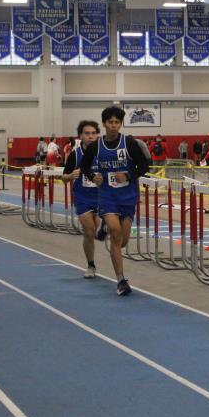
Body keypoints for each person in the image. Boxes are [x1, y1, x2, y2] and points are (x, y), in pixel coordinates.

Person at [80, 106, 150, 296]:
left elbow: (145, 165)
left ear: (120, 124)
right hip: (107, 196)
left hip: (127, 197)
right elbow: (85, 166)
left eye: (117, 122)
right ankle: (121, 280)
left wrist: (128, 175)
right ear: (104, 124)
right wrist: (93, 176)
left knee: (122, 241)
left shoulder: (129, 143)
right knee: (116, 233)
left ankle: (105, 228)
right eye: (110, 122)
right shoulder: (96, 146)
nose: (113, 125)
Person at [62, 120, 101, 279]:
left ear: (97, 135)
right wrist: (71, 175)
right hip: (82, 197)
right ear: (81, 136)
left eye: (93, 133)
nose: (90, 136)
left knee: (97, 231)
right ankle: (91, 265)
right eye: (87, 133)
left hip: (101, 197)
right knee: (89, 231)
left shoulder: (103, 153)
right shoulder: (75, 155)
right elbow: (64, 177)